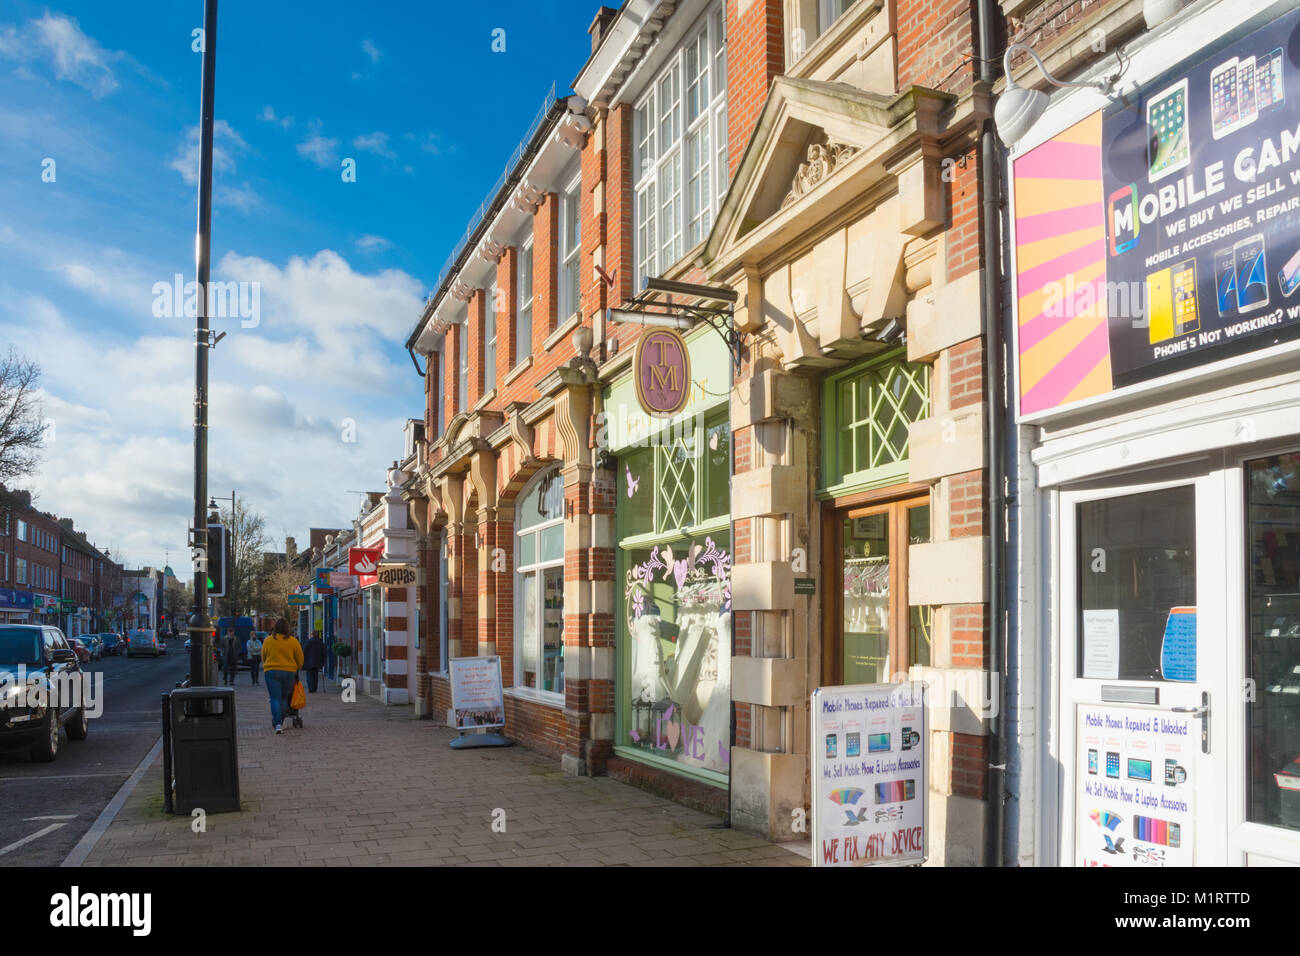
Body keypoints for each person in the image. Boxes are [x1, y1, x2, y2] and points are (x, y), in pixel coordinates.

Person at [262, 618, 303, 734]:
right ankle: (282, 719)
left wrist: (267, 665)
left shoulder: (268, 641)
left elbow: (263, 656)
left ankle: (278, 724)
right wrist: (296, 668)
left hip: (272, 671)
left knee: (275, 698)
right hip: (289, 672)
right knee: (284, 697)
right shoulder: (293, 641)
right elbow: (300, 659)